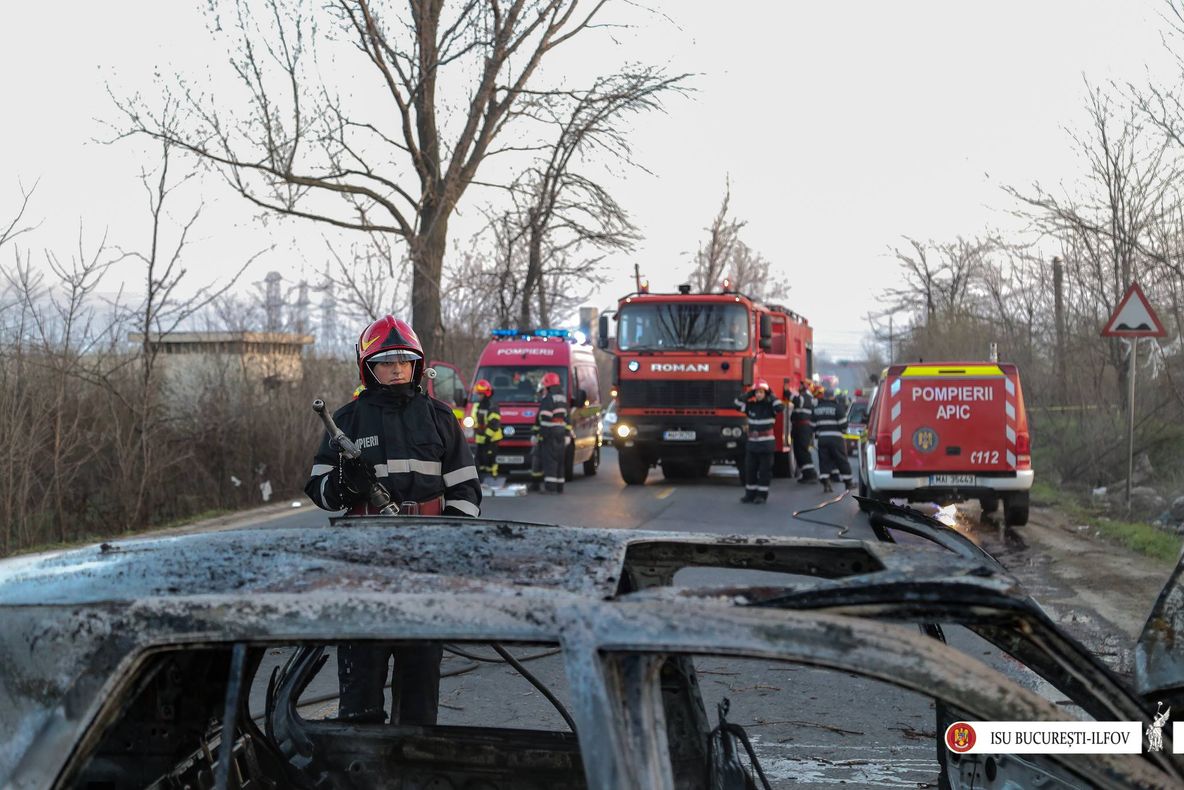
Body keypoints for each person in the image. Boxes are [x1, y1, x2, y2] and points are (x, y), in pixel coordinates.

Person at [305, 315, 482, 725]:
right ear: (369, 367)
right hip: (363, 569)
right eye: (386, 361)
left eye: (404, 359)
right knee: (361, 692)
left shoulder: (440, 418)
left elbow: (467, 490)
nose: (397, 368)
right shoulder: (347, 422)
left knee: (419, 693)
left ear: (417, 364)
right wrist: (346, 484)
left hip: (426, 568)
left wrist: (446, 548)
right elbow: (319, 491)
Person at [735, 378, 784, 504]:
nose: (758, 394)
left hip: (766, 444)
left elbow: (780, 407)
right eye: (756, 392)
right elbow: (736, 403)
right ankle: (749, 494)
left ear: (766, 393)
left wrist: (771, 394)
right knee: (750, 470)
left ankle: (761, 495)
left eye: (761, 392)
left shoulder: (770, 407)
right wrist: (749, 393)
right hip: (752, 444)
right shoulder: (751, 406)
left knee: (764, 471)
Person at [811, 385, 853, 493]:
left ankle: (826, 482)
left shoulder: (817, 409)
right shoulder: (837, 408)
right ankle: (848, 483)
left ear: (824, 396)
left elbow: (812, 425)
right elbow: (843, 425)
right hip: (836, 439)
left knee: (824, 461)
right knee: (841, 460)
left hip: (822, 439)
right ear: (833, 396)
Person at [534, 371, 569, 493]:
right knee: (560, 461)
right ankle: (559, 487)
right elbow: (567, 418)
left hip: (550, 433)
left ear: (548, 385)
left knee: (550, 461)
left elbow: (545, 419)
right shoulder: (563, 398)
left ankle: (550, 487)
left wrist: (541, 436)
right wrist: (568, 434)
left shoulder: (548, 398)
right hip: (561, 432)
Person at [471, 379, 503, 482]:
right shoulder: (478, 405)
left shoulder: (492, 406)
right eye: (478, 394)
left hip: (492, 438)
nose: (478, 396)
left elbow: (494, 424)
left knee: (490, 458)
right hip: (481, 438)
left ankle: (493, 478)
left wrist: (487, 437)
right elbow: (475, 420)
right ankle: (480, 479)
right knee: (479, 459)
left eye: (480, 394)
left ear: (486, 394)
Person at [790, 383, 818, 483]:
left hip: (803, 428)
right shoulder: (806, 397)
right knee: (798, 451)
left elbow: (797, 401)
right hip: (800, 428)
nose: (798, 386)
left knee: (802, 450)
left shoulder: (806, 397)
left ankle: (811, 474)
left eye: (800, 385)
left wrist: (787, 392)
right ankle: (806, 474)